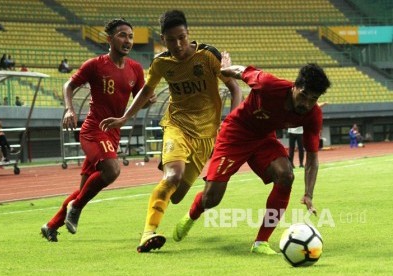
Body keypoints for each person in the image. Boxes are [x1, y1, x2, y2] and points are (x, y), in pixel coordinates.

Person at [100, 10, 241, 253]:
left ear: (189, 35)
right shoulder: (161, 63)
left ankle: (170, 169)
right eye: (171, 40)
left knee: (176, 195)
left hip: (206, 136)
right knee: (173, 176)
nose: (177, 45)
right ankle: (147, 234)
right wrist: (125, 117)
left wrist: (233, 123)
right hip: (177, 126)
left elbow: (235, 88)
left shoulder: (208, 56)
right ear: (163, 39)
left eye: (182, 38)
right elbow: (145, 91)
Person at [171, 63, 331, 255]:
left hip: (264, 138)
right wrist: (222, 69)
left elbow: (312, 159)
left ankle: (261, 242)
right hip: (235, 134)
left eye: (313, 99)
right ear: (294, 87)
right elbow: (240, 72)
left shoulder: (312, 114)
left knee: (286, 175)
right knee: (212, 198)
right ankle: (192, 215)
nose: (306, 103)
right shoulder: (268, 84)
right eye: (303, 95)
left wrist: (308, 194)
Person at [41, 18, 149, 242]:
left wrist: (148, 100)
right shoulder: (95, 65)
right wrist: (70, 110)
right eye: (122, 35)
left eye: (130, 36)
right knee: (112, 171)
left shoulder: (136, 69)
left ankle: (51, 226)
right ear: (109, 39)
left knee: (85, 189)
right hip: (93, 130)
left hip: (113, 133)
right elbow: (68, 85)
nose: (127, 40)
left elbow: (141, 99)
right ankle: (76, 208)